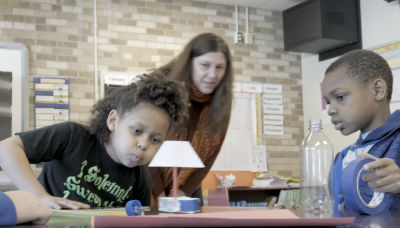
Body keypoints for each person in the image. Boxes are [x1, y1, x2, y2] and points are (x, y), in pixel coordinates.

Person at [0, 73, 189, 209]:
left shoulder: (140, 179)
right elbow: (7, 148)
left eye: (155, 139)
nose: (144, 144)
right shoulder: (72, 136)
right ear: (113, 120)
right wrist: (40, 197)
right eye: (136, 130)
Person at [148, 33, 233, 203]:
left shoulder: (222, 100)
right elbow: (145, 145)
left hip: (187, 186)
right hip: (147, 180)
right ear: (189, 64)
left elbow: (210, 154)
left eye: (219, 67)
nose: (212, 75)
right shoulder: (160, 87)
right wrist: (159, 193)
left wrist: (183, 191)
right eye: (204, 65)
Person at [321, 49, 400, 212]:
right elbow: (337, 209)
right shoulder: (343, 157)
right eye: (328, 102)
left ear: (377, 90)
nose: (330, 110)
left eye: (340, 97)